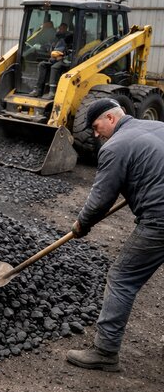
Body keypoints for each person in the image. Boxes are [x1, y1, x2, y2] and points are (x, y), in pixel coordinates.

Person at [67, 97, 164, 371]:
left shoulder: (115, 147)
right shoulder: (158, 126)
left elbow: (100, 199)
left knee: (122, 278)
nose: (96, 135)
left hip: (160, 218)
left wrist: (82, 224)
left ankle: (105, 351)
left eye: (97, 127)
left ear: (111, 118)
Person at [30, 22, 73, 98]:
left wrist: (63, 56)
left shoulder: (70, 38)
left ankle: (52, 91)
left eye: (62, 28)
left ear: (66, 28)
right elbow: (51, 46)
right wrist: (47, 49)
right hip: (55, 59)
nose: (60, 29)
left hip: (65, 60)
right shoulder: (57, 37)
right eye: (60, 28)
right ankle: (38, 89)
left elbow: (71, 51)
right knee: (42, 65)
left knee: (55, 67)